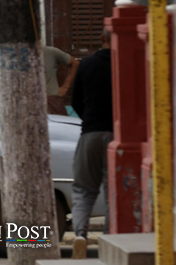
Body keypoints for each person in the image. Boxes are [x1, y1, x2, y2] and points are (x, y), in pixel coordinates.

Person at [70, 30, 114, 260]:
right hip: (117, 138)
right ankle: (108, 238)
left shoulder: (86, 64)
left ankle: (80, 235)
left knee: (83, 190)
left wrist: (88, 119)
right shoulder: (124, 64)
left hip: (90, 133)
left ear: (102, 39)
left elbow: (75, 99)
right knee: (113, 192)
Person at [43, 46, 78, 115]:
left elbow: (75, 63)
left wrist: (65, 87)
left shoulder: (50, 52)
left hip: (51, 101)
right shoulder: (18, 55)